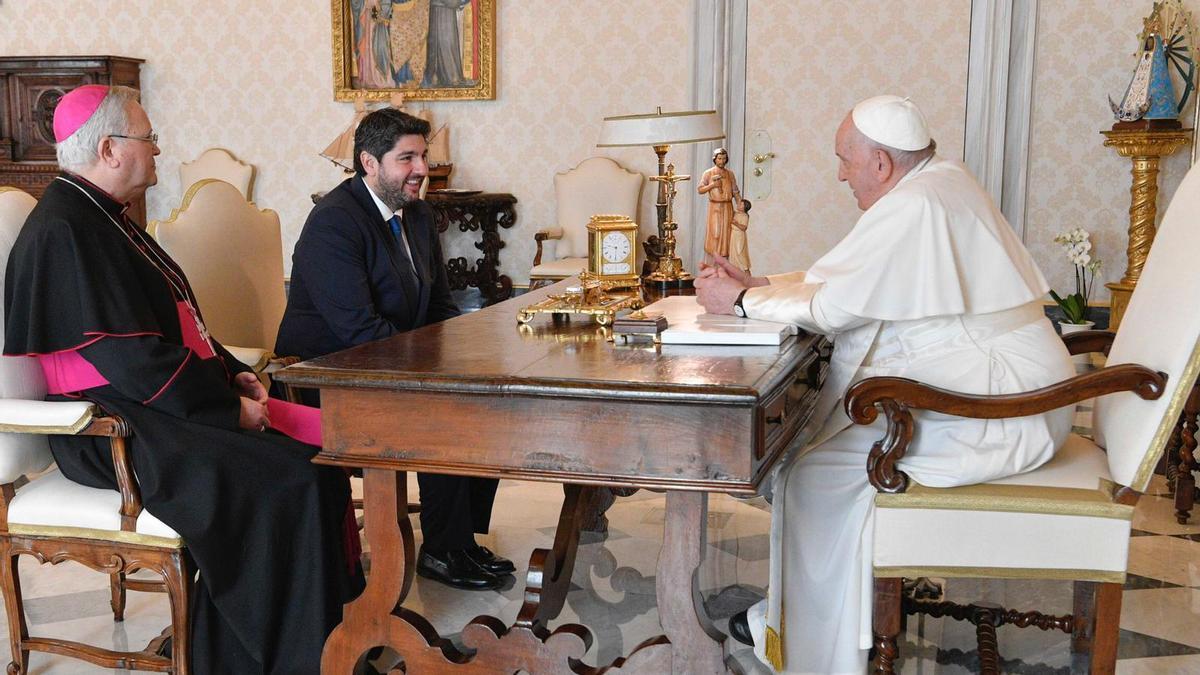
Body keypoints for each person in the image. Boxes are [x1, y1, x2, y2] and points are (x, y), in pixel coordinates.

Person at [694, 95, 1074, 674]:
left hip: (1006, 409)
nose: (839, 173)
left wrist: (741, 300)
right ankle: (809, 614)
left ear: (881, 164)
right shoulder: (937, 179)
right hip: (1004, 387)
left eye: (845, 159)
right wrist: (764, 283)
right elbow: (856, 279)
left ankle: (811, 648)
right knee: (814, 454)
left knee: (811, 472)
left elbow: (841, 306)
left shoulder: (917, 203)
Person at [3, 85, 362, 673]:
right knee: (289, 480)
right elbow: (133, 360)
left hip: (148, 407)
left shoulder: (102, 216)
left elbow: (178, 329)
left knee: (315, 469)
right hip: (110, 430)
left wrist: (235, 375)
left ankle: (330, 646)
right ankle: (261, 659)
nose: (159, 150)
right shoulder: (66, 230)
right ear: (112, 149)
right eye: (150, 139)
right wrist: (226, 409)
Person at [276, 106, 514, 591]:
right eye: (407, 158)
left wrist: (469, 355)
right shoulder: (334, 224)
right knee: (443, 410)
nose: (422, 170)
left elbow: (441, 306)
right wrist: (435, 367)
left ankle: (458, 541)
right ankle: (442, 552)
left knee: (482, 396)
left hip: (388, 364)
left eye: (422, 157)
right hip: (330, 377)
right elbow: (359, 331)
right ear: (369, 162)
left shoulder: (420, 214)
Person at [698, 147, 742, 263]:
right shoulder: (708, 173)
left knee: (727, 234)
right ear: (715, 159)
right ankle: (713, 264)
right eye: (719, 158)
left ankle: (725, 265)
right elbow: (700, 189)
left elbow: (735, 190)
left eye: (724, 158)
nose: (722, 161)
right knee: (715, 233)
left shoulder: (730, 174)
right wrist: (712, 185)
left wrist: (739, 203)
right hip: (715, 207)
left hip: (728, 207)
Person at [728, 197, 752, 273]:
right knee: (733, 253)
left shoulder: (745, 216)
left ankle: (747, 272)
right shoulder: (736, 213)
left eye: (741, 204)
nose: (738, 205)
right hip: (734, 235)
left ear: (744, 207)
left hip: (739, 236)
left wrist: (736, 223)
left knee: (740, 253)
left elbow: (744, 227)